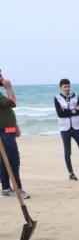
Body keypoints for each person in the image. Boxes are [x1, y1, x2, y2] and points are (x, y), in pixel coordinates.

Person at [54, 79, 79, 181]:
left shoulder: (76, 97)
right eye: (65, 87)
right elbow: (60, 113)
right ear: (61, 87)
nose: (67, 88)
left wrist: (69, 111)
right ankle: (71, 173)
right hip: (65, 129)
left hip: (77, 128)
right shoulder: (57, 98)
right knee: (68, 152)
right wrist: (73, 110)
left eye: (68, 86)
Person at [0, 69, 28, 198]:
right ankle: (18, 188)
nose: (2, 78)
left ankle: (6, 187)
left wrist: (15, 125)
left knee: (4, 159)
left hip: (8, 129)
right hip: (4, 131)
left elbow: (6, 111)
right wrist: (9, 87)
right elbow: (13, 103)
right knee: (13, 159)